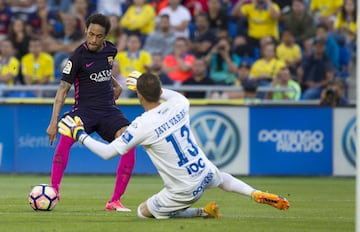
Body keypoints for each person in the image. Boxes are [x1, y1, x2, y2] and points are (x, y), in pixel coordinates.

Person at [57, 72, 290, 219]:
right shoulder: (180, 102)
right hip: (203, 170)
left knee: (142, 212)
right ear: (159, 91)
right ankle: (255, 192)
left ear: (139, 97)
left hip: (183, 189)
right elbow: (170, 93)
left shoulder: (141, 125)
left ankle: (201, 212)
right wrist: (143, 81)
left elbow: (108, 152)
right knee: (222, 178)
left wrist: (79, 134)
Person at [46, 13, 136, 212]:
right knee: (65, 137)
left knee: (130, 140)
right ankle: (53, 190)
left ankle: (115, 200)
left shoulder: (111, 50)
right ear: (85, 31)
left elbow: (104, 69)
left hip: (108, 110)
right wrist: (54, 122)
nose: (94, 39)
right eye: (91, 34)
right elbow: (62, 91)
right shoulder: (77, 57)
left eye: (99, 36)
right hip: (84, 110)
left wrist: (115, 84)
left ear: (105, 36)